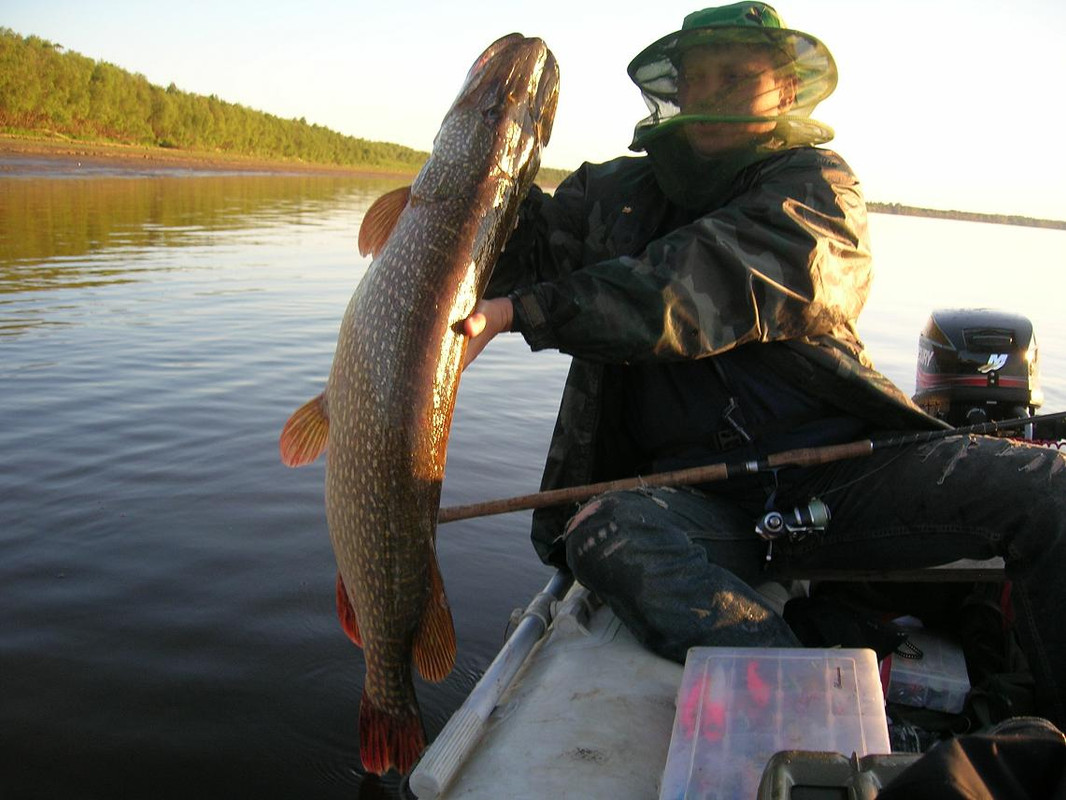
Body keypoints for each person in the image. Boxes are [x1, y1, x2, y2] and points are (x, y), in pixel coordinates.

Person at [462, 2, 1066, 728]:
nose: (708, 93)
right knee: (603, 532)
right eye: (695, 78)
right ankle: (817, 699)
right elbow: (509, 252)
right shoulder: (614, 196)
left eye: (734, 76)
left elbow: (698, 284)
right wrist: (469, 177)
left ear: (782, 91)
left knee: (1052, 492)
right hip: (708, 503)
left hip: (844, 472)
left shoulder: (819, 190)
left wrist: (527, 312)